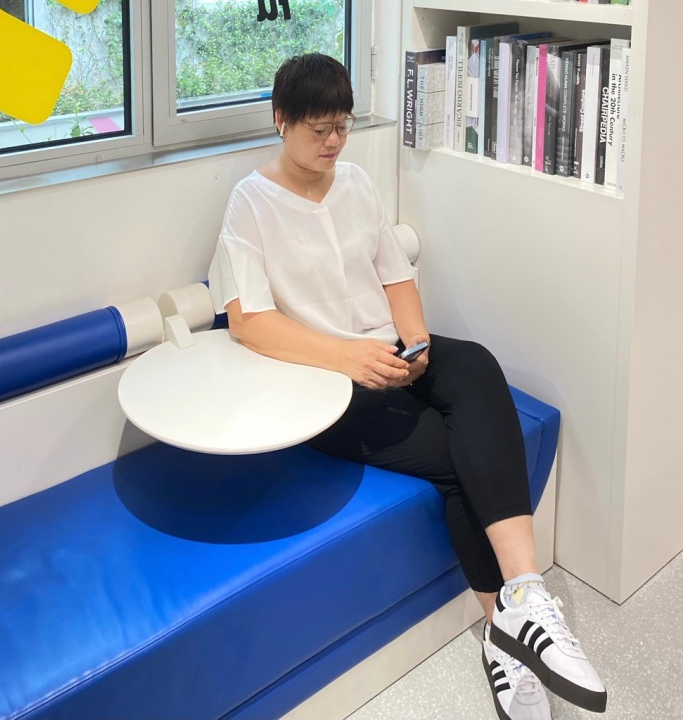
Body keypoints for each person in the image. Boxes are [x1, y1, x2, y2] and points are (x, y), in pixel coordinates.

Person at [208, 53, 606, 720]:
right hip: (327, 382)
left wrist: (416, 342)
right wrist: (348, 357)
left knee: (475, 364)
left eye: (342, 126)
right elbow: (249, 323)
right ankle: (504, 638)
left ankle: (527, 597)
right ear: (280, 120)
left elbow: (395, 275)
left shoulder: (356, 182)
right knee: (460, 462)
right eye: (318, 129)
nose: (334, 142)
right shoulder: (250, 202)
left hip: (389, 352)